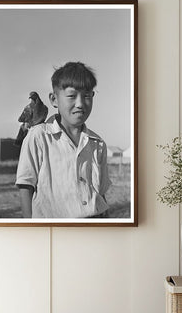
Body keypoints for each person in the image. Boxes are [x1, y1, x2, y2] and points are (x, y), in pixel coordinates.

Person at [15, 61, 111, 218]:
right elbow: (25, 186)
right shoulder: (38, 136)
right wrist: (30, 227)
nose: (80, 104)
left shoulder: (97, 143)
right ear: (54, 99)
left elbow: (101, 194)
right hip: (53, 229)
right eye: (72, 96)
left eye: (87, 96)